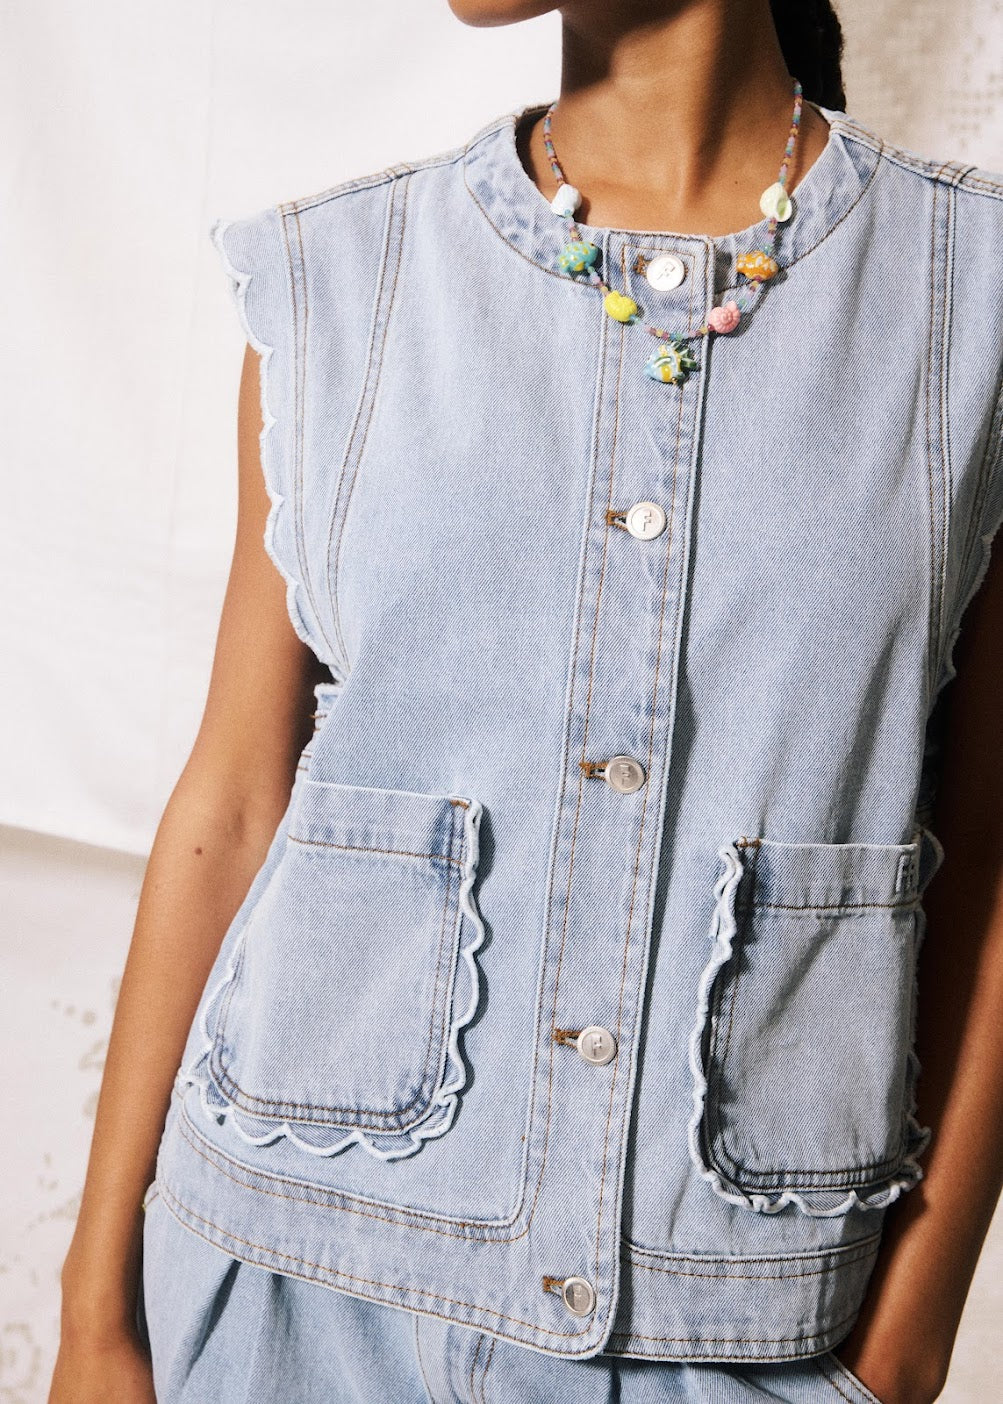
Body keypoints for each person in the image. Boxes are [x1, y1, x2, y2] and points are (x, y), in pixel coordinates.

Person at [50, 1, 1003, 1401]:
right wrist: (94, 1322)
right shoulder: (341, 284)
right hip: (290, 1294)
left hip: (738, 1335)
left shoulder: (968, 297)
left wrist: (909, 1340)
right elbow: (236, 798)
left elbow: (991, 843)